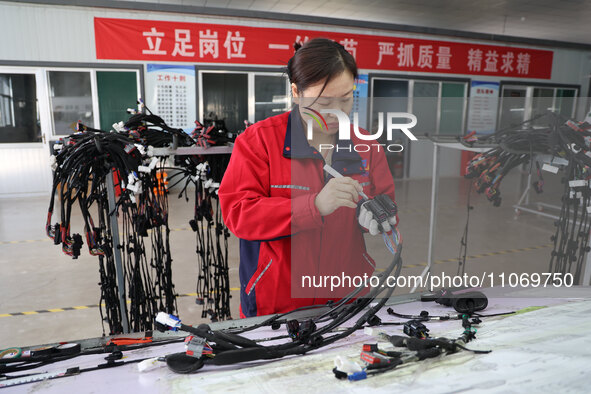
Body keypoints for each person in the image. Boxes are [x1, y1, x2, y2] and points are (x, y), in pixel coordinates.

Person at [218, 38, 397, 318]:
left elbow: (383, 198)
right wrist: (313, 207)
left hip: (347, 295)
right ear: (296, 92)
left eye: (346, 99)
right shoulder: (259, 142)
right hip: (276, 300)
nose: (338, 112)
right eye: (324, 102)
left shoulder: (366, 146)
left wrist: (375, 216)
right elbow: (238, 213)